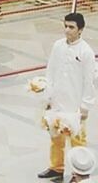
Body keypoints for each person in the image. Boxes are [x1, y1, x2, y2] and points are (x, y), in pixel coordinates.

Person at [39, 12, 95, 180]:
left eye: (71, 27)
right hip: (57, 102)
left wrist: (85, 106)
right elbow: (51, 71)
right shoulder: (58, 46)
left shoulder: (86, 52)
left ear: (80, 30)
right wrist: (48, 96)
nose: (67, 30)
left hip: (75, 104)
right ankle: (56, 167)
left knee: (77, 140)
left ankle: (79, 173)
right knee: (55, 136)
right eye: (65, 26)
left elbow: (88, 81)